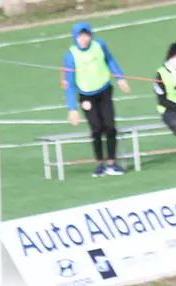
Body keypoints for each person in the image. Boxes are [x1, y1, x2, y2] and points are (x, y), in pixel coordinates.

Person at [62, 21, 131, 177]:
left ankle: (112, 163)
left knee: (110, 126)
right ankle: (100, 164)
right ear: (75, 37)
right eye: (80, 36)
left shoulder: (99, 45)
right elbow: (70, 84)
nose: (84, 39)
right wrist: (72, 108)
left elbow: (110, 60)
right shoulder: (70, 56)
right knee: (96, 128)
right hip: (87, 96)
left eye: (86, 35)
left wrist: (120, 78)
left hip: (104, 91)